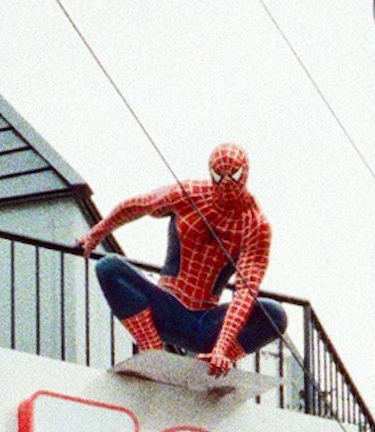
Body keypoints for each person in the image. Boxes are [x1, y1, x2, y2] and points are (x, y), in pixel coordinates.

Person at [84, 142, 286, 376]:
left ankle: (214, 363)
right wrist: (96, 233)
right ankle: (153, 350)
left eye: (234, 177)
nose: (226, 185)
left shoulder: (255, 225)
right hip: (166, 307)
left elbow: (245, 292)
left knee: (274, 314)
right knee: (108, 266)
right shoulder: (190, 193)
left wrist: (221, 349)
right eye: (219, 177)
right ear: (211, 173)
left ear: (245, 174)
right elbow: (139, 205)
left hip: (204, 324)